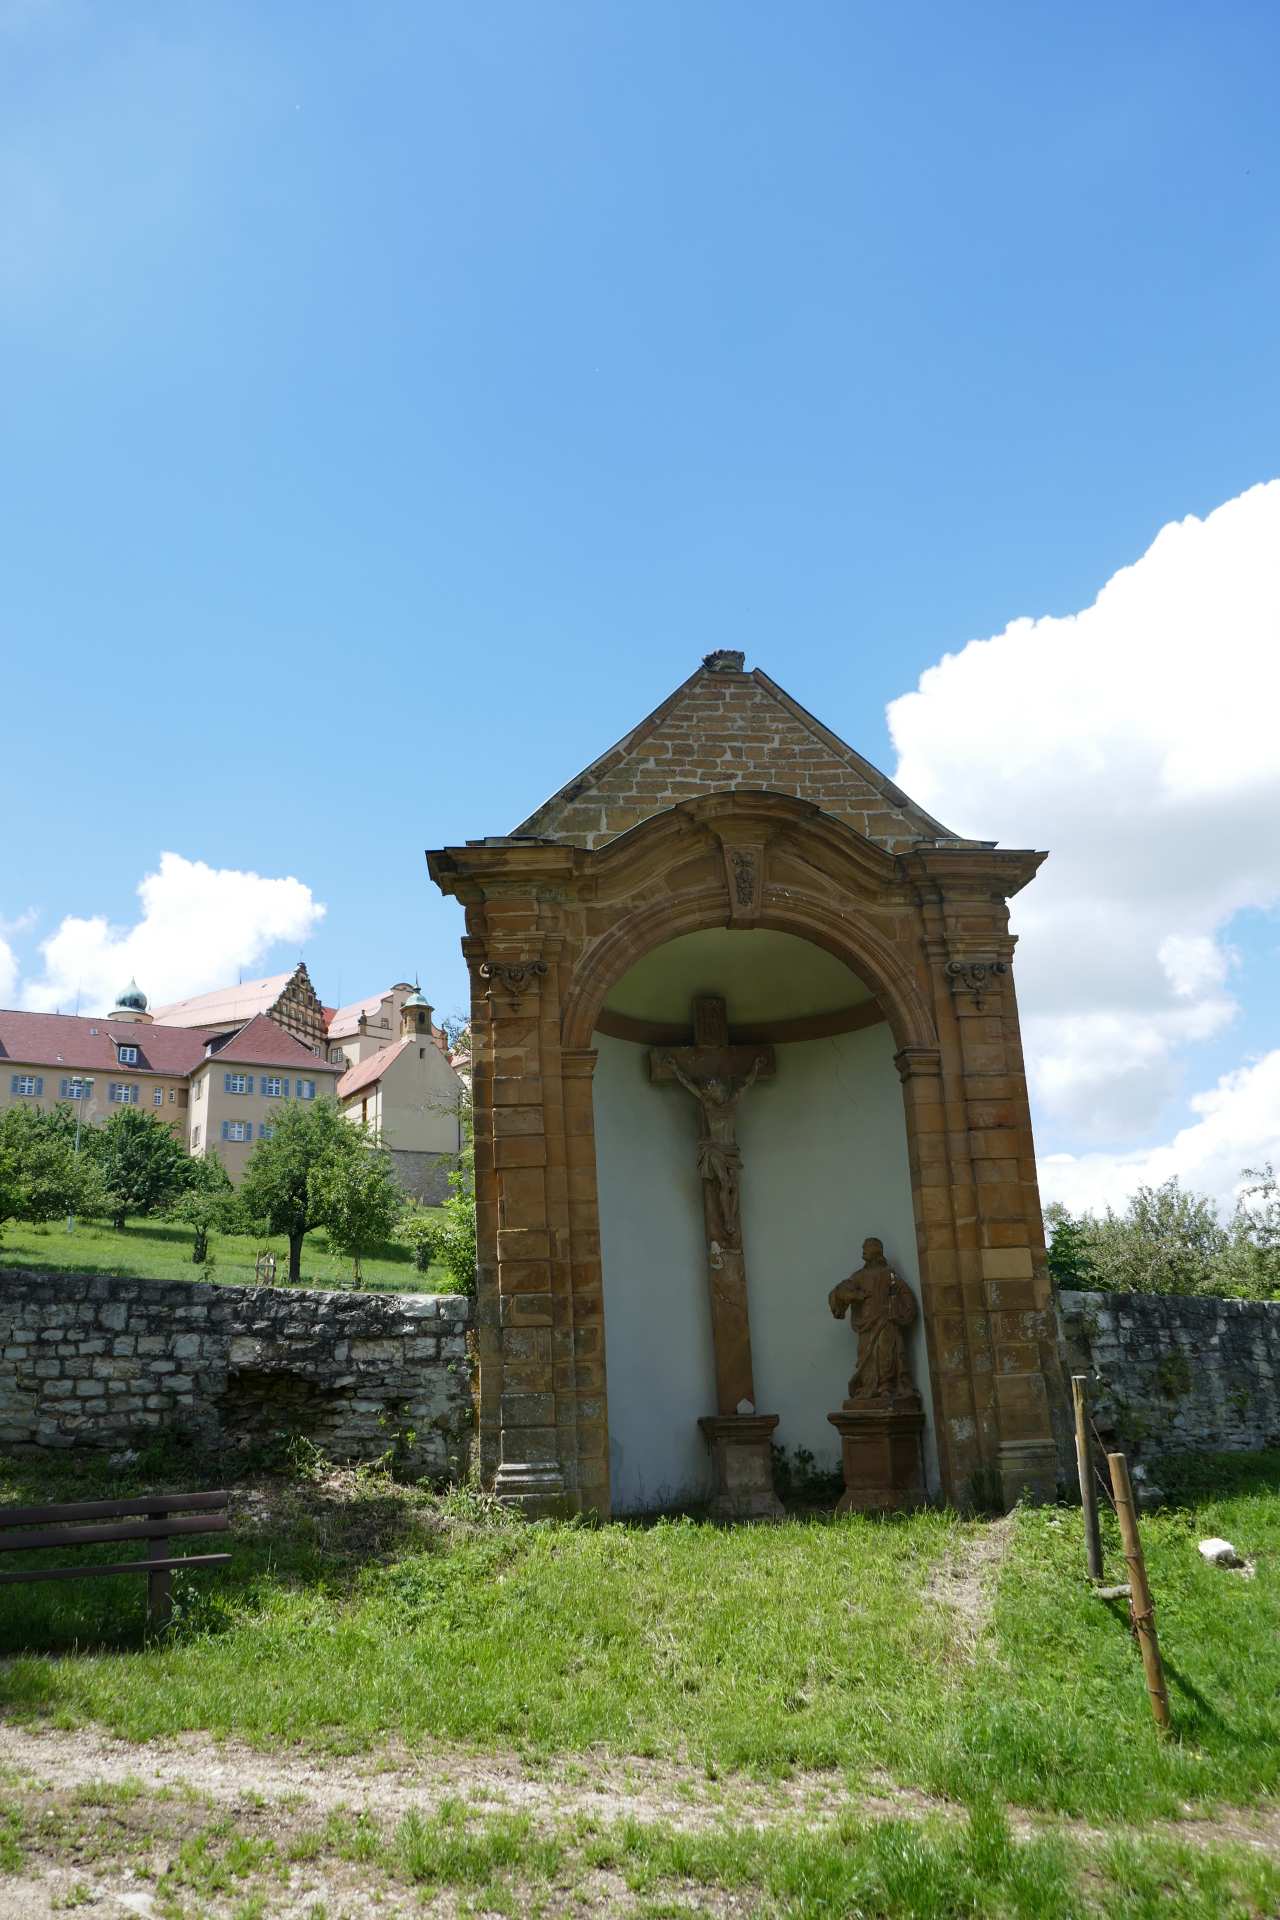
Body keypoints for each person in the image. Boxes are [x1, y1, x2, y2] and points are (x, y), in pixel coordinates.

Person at [828, 1237, 918, 1404]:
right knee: (866, 1354)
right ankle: (869, 1386)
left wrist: (901, 1312)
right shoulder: (859, 1276)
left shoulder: (889, 1274)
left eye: (867, 1247)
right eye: (863, 1247)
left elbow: (904, 1293)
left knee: (886, 1353)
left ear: (876, 1250)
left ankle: (886, 1386)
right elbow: (841, 1290)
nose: (863, 1250)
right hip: (866, 1324)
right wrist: (853, 1295)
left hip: (886, 1321)